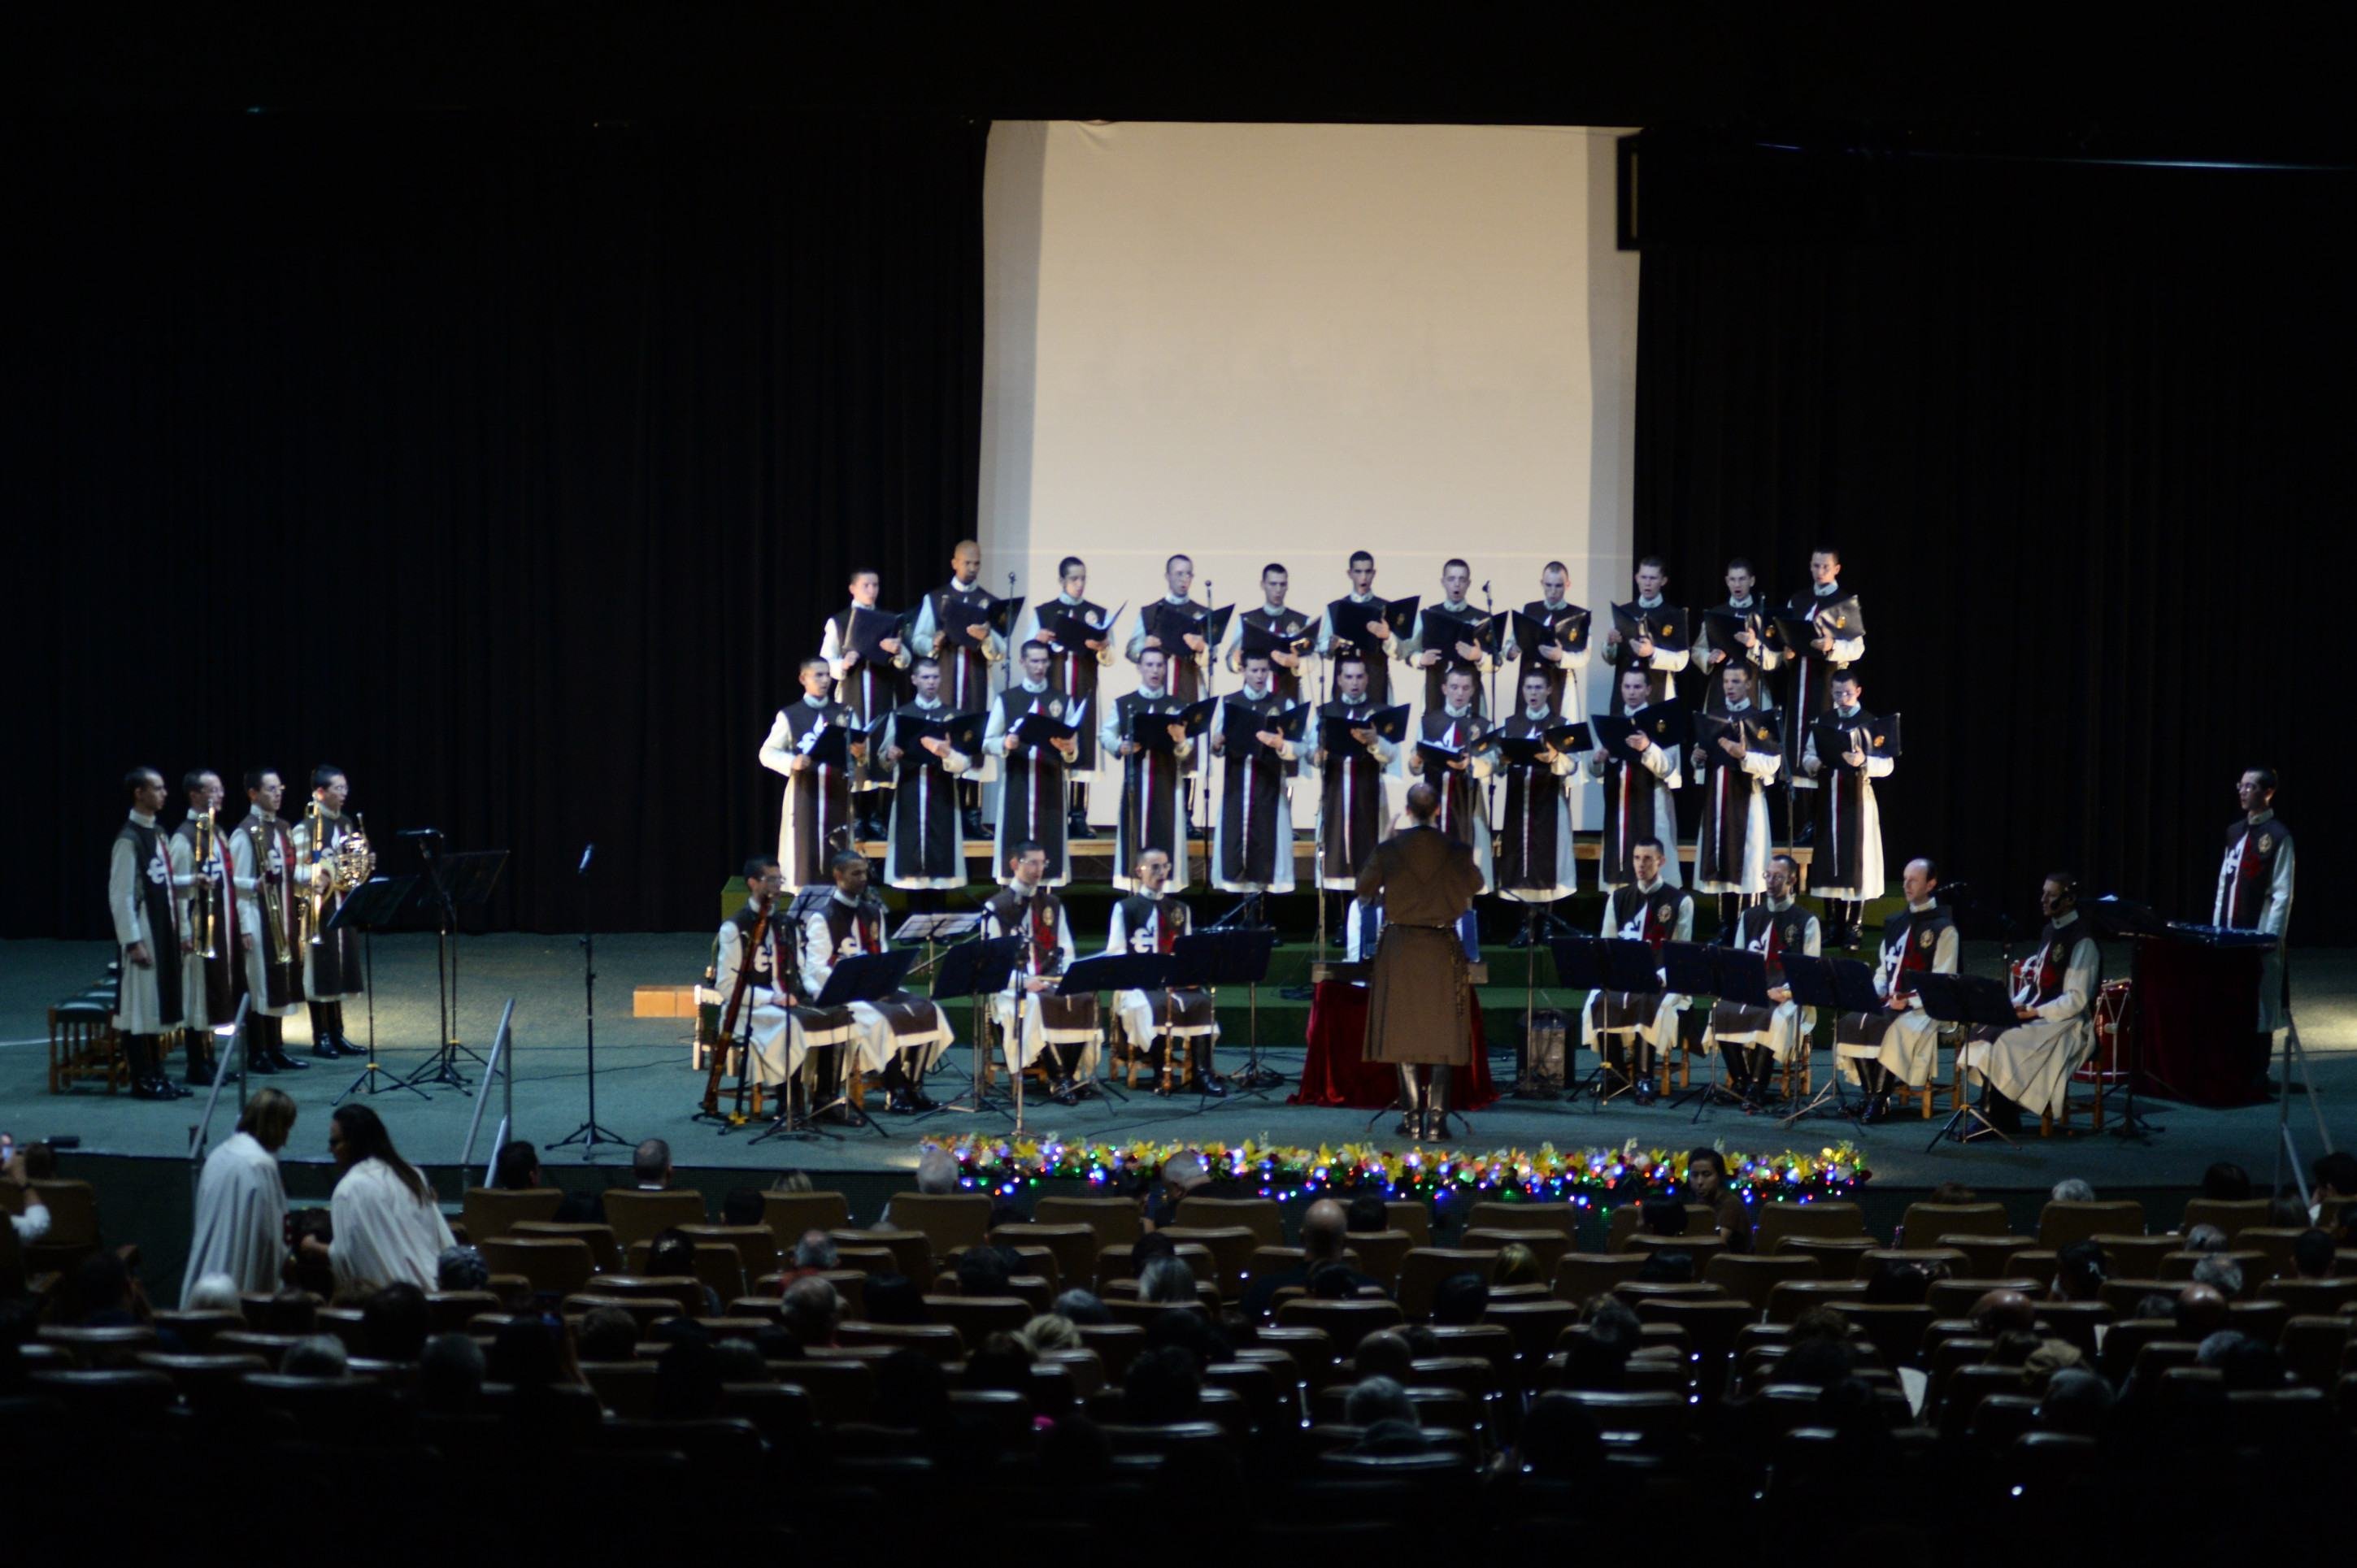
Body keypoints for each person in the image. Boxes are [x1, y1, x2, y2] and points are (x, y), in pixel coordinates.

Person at [1358, 782, 1485, 1139]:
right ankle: (1437, 1122)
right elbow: (1476, 884)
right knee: (1443, 1032)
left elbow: (1364, 888)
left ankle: (1412, 1120)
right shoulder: (1456, 850)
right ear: (1439, 811)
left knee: (1403, 1031)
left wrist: (1384, 840)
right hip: (1442, 944)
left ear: (1409, 811)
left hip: (1400, 946)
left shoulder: (1390, 849)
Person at [802, 850, 950, 1114]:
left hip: (876, 989)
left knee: (929, 1010)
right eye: (855, 873)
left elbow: (881, 955)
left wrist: (886, 979)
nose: (863, 878)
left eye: (865, 872)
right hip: (844, 993)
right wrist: (856, 986)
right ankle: (896, 1091)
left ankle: (914, 1085)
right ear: (838, 876)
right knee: (882, 1021)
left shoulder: (873, 913)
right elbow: (816, 968)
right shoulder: (822, 917)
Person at [1957, 873, 2100, 1137]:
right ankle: (1999, 1112)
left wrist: (2035, 1011)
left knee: (2006, 1041)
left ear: (2069, 900)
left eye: (2051, 895)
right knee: (1986, 1029)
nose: (2043, 899)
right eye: (2043, 893)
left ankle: (1996, 1116)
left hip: (2067, 1023)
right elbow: (2037, 984)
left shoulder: (2082, 940)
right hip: (2042, 1014)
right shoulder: (2051, 930)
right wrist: (2013, 1004)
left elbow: (2076, 999)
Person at [714, 855, 848, 1119]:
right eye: (771, 879)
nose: (777, 886)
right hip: (747, 1010)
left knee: (838, 1015)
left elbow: (802, 971)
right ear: (753, 883)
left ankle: (825, 1101)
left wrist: (821, 991)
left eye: (780, 879)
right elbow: (727, 987)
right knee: (790, 1027)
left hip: (788, 1002)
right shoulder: (735, 928)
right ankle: (790, 1104)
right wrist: (773, 998)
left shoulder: (786, 925)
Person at [1835, 858, 1958, 1120]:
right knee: (1852, 1022)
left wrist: (1910, 1001)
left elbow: (1942, 981)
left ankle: (1879, 1099)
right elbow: (1884, 970)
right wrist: (1874, 992)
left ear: (1931, 884)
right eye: (1904, 879)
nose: (1906, 885)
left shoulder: (1943, 928)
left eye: (1913, 880)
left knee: (1890, 1028)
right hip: (1891, 1002)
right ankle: (1872, 1096)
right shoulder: (1895, 922)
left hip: (1925, 1007)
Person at [982, 841, 1098, 1105]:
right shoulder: (996, 907)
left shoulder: (1053, 904)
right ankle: (1059, 1080)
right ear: (1014, 865)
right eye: (1032, 862)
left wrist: (1069, 975)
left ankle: (1069, 1076)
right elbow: (992, 963)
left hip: (1050, 980)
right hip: (1012, 986)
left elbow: (1066, 950)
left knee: (1084, 997)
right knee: (1038, 1001)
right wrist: (1023, 980)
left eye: (1042, 863)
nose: (1038, 869)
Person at [1581, 836, 1694, 1105]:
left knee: (1648, 1001)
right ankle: (1615, 1073)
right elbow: (1607, 942)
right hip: (1623, 976)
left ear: (1661, 861)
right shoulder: (1618, 898)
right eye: (1636, 858)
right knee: (1599, 1000)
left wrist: (1661, 975)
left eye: (1647, 859)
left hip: (1663, 978)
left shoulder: (1679, 901)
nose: (1641, 864)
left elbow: (1682, 950)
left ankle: (1645, 1077)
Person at [1015, 554, 1118, 840]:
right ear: (1061, 580)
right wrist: (1040, 639)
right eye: (1074, 578)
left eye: (1083, 578)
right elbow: (1026, 649)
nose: (1079, 584)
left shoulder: (1096, 613)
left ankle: (1079, 815)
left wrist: (1101, 646)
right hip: (1055, 692)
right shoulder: (1045, 612)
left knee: (1082, 747)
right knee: (1054, 746)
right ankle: (1054, 813)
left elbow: (1109, 658)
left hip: (1084, 690)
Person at [1106, 849, 1221, 1095]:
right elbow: (1115, 952)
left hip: (1174, 982)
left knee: (1201, 1001)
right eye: (1154, 867)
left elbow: (1189, 950)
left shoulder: (1180, 909)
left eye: (1165, 867)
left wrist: (1189, 976)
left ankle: (1202, 1073)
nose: (1161, 872)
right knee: (1154, 1006)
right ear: (1139, 871)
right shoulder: (1126, 908)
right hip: (1138, 983)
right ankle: (1161, 1071)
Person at [1710, 853, 1819, 1105]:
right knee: (1720, 1011)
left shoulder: (1806, 921)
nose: (1771, 881)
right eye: (1768, 875)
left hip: (1787, 996)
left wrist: (1787, 992)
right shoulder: (1749, 917)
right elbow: (1739, 962)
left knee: (1771, 1016)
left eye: (1778, 877)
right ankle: (1741, 1081)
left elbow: (1809, 970)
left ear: (1792, 879)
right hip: (1753, 990)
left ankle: (1757, 1087)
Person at [108, 767, 189, 1098]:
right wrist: (132, 941)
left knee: (157, 1006)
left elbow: (167, 885)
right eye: (157, 788)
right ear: (139, 793)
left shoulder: (157, 832)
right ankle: (142, 1080)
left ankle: (158, 1074)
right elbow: (121, 894)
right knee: (140, 1008)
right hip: (144, 931)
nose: (164, 793)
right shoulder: (128, 840)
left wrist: (182, 924)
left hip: (163, 929)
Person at [311, 1105, 454, 1291]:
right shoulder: (412, 1175)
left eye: (334, 1142)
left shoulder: (349, 1189)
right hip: (438, 1296)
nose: (330, 1150)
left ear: (353, 1143)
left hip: (392, 1305)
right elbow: (444, 1245)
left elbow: (347, 1258)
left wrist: (314, 1248)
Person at [227, 767, 311, 1076]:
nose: (278, 794)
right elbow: (235, 883)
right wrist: (245, 928)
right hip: (256, 918)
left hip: (283, 918)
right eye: (270, 789)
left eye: (280, 788)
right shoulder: (244, 832)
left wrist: (317, 876)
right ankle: (258, 1053)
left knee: (280, 983)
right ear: (253, 794)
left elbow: (288, 875)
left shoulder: (284, 828)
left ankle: (276, 1048)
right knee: (260, 986)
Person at [1800, 668, 1893, 948]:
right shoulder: (1824, 722)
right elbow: (1808, 755)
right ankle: (1834, 926)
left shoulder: (1870, 723)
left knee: (1855, 862)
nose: (1842, 698)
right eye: (1837, 693)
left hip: (1857, 800)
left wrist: (1864, 760)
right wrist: (1813, 763)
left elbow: (1887, 764)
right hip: (1829, 798)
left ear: (1858, 692)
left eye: (1848, 693)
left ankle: (1854, 927)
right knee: (1831, 860)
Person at [820, 566, 911, 843]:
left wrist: (898, 651)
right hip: (852, 697)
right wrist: (842, 664)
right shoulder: (839, 621)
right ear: (853, 589)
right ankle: (857, 816)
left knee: (881, 752)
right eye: (866, 586)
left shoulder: (889, 619)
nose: (872, 590)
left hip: (882, 695)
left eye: (876, 585)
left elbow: (905, 661)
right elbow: (824, 662)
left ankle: (875, 816)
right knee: (856, 751)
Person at [758, 658, 867, 891]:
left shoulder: (845, 713)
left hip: (837, 792)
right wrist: (792, 761)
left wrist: (860, 754)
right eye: (818, 675)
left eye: (827, 674)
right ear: (803, 679)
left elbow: (860, 753)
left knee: (837, 852)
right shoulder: (790, 715)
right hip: (804, 794)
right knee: (804, 856)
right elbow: (767, 752)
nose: (825, 679)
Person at [180, 1086, 294, 1304]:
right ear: (276, 1127)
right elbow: (272, 1236)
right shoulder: (261, 1164)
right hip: (241, 1277)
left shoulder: (219, 1153)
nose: (286, 1139)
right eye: (286, 1128)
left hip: (204, 1274)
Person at [1689, 663, 1782, 927]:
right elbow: (1701, 753)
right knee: (1719, 860)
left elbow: (1773, 764)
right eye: (1727, 681)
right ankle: (1725, 926)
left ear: (1749, 685)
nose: (1729, 686)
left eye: (1736, 681)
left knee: (1748, 863)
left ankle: (1747, 927)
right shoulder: (1714, 716)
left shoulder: (1760, 719)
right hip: (1717, 797)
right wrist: (1697, 758)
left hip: (1747, 798)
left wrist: (1743, 755)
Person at [873, 656, 974, 896]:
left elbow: (965, 763)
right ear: (914, 679)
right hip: (910, 791)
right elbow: (882, 758)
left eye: (935, 677)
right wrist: (891, 755)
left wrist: (946, 752)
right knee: (910, 859)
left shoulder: (953, 715)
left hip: (943, 793)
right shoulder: (900, 715)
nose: (931, 682)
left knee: (941, 856)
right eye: (926, 677)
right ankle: (914, 926)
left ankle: (939, 927)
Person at [985, 639, 1081, 886]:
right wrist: (1005, 744)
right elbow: (987, 742)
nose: (1040, 667)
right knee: (1014, 841)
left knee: (1050, 845)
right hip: (1017, 781)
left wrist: (1069, 750)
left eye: (1044, 661)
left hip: (1051, 782)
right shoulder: (1007, 699)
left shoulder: (1062, 700)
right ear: (1022, 662)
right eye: (1034, 661)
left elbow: (1073, 751)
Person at [1102, 645, 1198, 893]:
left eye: (1159, 665)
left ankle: (1164, 897)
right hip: (1136, 783)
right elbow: (1106, 735)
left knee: (1167, 834)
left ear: (1165, 669)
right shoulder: (1125, 703)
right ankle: (1134, 892)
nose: (1155, 670)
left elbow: (1187, 749)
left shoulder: (1178, 706)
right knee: (1133, 835)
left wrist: (1180, 740)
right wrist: (1119, 746)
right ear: (1139, 668)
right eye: (1149, 665)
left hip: (1167, 782)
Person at [1778, 544, 1864, 814]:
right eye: (1815, 565)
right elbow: (1787, 633)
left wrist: (1832, 646)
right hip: (1799, 680)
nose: (1819, 571)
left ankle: (1821, 816)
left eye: (1825, 566)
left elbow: (1858, 648)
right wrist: (1787, 650)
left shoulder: (1845, 602)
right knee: (1797, 740)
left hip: (1828, 683)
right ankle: (1803, 818)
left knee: (1823, 739)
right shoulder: (1799, 600)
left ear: (1836, 569)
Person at [1209, 649, 1302, 897]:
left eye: (1264, 670)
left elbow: (1299, 747)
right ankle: (1243, 918)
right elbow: (1216, 746)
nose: (1260, 676)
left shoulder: (1282, 703)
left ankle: (1263, 918)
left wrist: (1281, 744)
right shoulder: (1230, 703)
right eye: (1254, 670)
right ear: (1244, 671)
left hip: (1269, 784)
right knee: (1236, 845)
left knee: (1268, 848)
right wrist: (1217, 743)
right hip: (1237, 785)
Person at [289, 763, 367, 1059]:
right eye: (338, 788)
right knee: (320, 970)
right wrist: (315, 875)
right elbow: (294, 869)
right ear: (320, 792)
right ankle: (320, 1035)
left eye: (345, 788)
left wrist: (363, 863)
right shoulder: (304, 828)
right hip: (316, 908)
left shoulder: (346, 823)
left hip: (342, 905)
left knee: (340, 968)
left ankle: (337, 1032)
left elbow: (351, 867)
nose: (344, 793)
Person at [1307, 652, 1399, 898]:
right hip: (1335, 789)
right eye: (1349, 677)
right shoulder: (1325, 711)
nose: (1354, 682)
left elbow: (1392, 754)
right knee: (1335, 849)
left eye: (1359, 676)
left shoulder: (1380, 712)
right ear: (1339, 680)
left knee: (1368, 850)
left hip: (1368, 790)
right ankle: (1340, 919)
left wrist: (1375, 741)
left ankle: (1367, 911)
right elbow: (1310, 752)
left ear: (1367, 679)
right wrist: (1319, 754)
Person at [1491, 667, 1581, 913]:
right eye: (1529, 687)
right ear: (1522, 691)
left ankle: (1546, 922)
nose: (1533, 693)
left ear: (1549, 691)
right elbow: (1497, 765)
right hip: (1519, 801)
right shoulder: (1510, 724)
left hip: (1549, 801)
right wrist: (1502, 760)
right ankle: (1524, 923)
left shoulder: (1560, 724)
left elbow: (1572, 765)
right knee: (1520, 860)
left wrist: (1554, 757)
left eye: (1539, 687)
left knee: (1547, 860)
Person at [2215, 766, 2294, 1038]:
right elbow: (2224, 883)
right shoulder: (2234, 831)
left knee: (2260, 1003)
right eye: (2242, 785)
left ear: (2268, 792)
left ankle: (2259, 1071)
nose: (2244, 791)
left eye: (2251, 787)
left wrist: (2271, 935)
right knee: (2229, 997)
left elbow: (2282, 891)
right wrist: (2217, 926)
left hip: (2258, 931)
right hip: (2230, 929)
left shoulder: (2278, 835)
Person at [167, 768, 235, 1085]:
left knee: (213, 993)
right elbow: (174, 888)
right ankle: (197, 1064)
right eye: (213, 790)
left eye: (221, 790)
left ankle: (210, 1058)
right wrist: (183, 932)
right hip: (195, 927)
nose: (219, 795)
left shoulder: (215, 832)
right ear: (195, 795)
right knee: (197, 996)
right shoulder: (183, 837)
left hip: (216, 922)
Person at [1589, 665, 1681, 891]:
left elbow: (1668, 768)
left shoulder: (1662, 722)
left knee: (1652, 868)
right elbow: (1595, 770)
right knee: (1619, 865)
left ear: (1648, 689)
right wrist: (1598, 760)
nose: (1631, 692)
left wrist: (1648, 747)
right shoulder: (1613, 722)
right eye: (1627, 686)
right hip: (1620, 804)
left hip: (1650, 800)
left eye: (1637, 687)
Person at [1407, 665, 1495, 888]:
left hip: (1467, 806)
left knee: (1465, 868)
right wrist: (1416, 761)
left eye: (1465, 688)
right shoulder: (1429, 721)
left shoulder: (1482, 725)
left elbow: (1492, 764)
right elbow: (1414, 765)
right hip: (1433, 805)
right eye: (1454, 687)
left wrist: (1471, 764)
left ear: (1473, 691)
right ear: (1445, 688)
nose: (1459, 693)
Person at [1399, 557, 1495, 716]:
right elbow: (1407, 652)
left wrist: (1479, 656)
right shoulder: (1427, 615)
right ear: (1443, 581)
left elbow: (1497, 662)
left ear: (1469, 583)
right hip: (1435, 691)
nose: (1456, 584)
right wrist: (1421, 659)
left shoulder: (1483, 618)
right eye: (1451, 579)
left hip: (1471, 698)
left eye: (1462, 579)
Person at [1504, 558, 1593, 719]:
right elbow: (1509, 647)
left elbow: (1584, 656)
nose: (1553, 591)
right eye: (1548, 585)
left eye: (1558, 586)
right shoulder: (1529, 610)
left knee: (1563, 732)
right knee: (1527, 732)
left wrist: (1561, 657)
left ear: (1568, 585)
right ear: (1542, 583)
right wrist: (1513, 650)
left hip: (1561, 680)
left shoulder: (1579, 616)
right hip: (1531, 681)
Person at [1692, 557, 1780, 714]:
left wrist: (1754, 645)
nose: (1737, 585)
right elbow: (1697, 650)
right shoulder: (1715, 614)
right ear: (1727, 581)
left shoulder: (1762, 615)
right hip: (1720, 686)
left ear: (1751, 581)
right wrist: (1708, 657)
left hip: (1753, 687)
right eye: (1733, 579)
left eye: (1742, 579)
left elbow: (1775, 660)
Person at [1599, 555, 1690, 705]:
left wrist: (1652, 652)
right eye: (1644, 577)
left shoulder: (1674, 615)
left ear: (1663, 581)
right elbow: (1610, 659)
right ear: (1637, 578)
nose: (1647, 583)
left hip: (1658, 688)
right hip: (1625, 691)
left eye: (1653, 578)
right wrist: (1609, 644)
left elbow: (1681, 661)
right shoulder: (1623, 612)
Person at [1125, 553, 1212, 704]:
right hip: (1157, 689)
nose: (1184, 579)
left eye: (1189, 574)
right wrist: (1145, 646)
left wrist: (1202, 648)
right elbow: (1131, 652)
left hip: (1191, 686)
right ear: (1167, 576)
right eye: (1179, 574)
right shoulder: (1150, 612)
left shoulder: (1203, 613)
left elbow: (1211, 659)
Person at [1316, 549, 1398, 706]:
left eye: (1368, 572)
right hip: (1344, 682)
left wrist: (1387, 636)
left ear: (1374, 573)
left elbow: (1399, 652)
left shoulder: (1387, 608)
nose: (1363, 577)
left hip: (1377, 678)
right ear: (1350, 573)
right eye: (1358, 571)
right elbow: (1321, 646)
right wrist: (1330, 645)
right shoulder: (1335, 608)